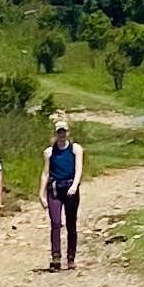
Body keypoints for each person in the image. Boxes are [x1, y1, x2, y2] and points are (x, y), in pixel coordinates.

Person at [43, 115, 83, 268]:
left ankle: (71, 257)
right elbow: (45, 173)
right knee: (56, 222)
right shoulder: (49, 152)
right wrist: (41, 194)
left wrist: (75, 185)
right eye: (59, 132)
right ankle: (56, 256)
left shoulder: (75, 149)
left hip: (70, 188)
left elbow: (78, 168)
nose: (62, 134)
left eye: (64, 131)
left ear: (67, 132)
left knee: (71, 222)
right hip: (54, 188)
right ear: (56, 133)